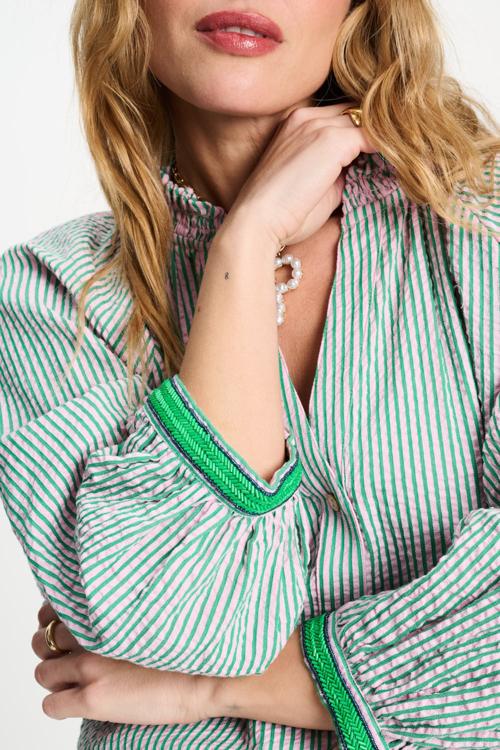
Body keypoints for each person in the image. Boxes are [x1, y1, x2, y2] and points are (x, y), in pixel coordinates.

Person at [1, 0, 499, 748]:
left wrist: (215, 689)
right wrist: (248, 240)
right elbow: (189, 621)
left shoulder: (480, 237)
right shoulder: (49, 294)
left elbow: (188, 657)